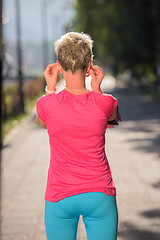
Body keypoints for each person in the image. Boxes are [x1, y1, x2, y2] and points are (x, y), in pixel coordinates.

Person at [35, 32, 122, 240]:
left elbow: (42, 123)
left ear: (58, 66)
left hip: (60, 195)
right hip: (99, 194)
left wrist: (50, 88)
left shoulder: (46, 104)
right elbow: (111, 120)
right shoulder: (106, 102)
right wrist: (96, 89)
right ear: (89, 65)